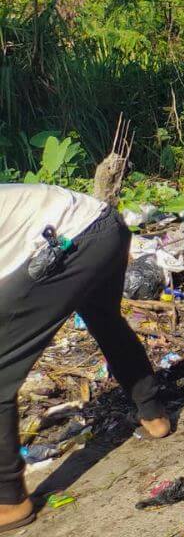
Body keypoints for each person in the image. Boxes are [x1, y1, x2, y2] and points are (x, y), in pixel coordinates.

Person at [0, 184, 172, 530]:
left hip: (71, 241)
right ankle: (154, 414)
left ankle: (9, 500)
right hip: (106, 225)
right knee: (104, 319)